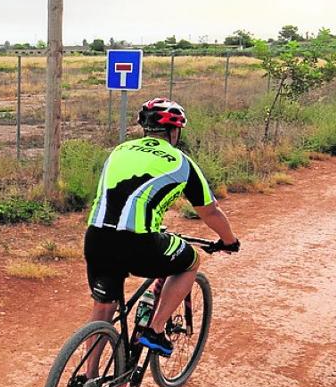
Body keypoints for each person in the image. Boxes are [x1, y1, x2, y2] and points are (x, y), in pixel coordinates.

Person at [83, 97, 239, 357]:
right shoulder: (181, 162)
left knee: (103, 310)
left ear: (145, 128)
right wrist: (229, 240)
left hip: (97, 238)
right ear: (174, 131)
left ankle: (89, 380)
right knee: (190, 261)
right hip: (138, 244)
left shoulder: (119, 151)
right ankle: (154, 330)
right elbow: (210, 211)